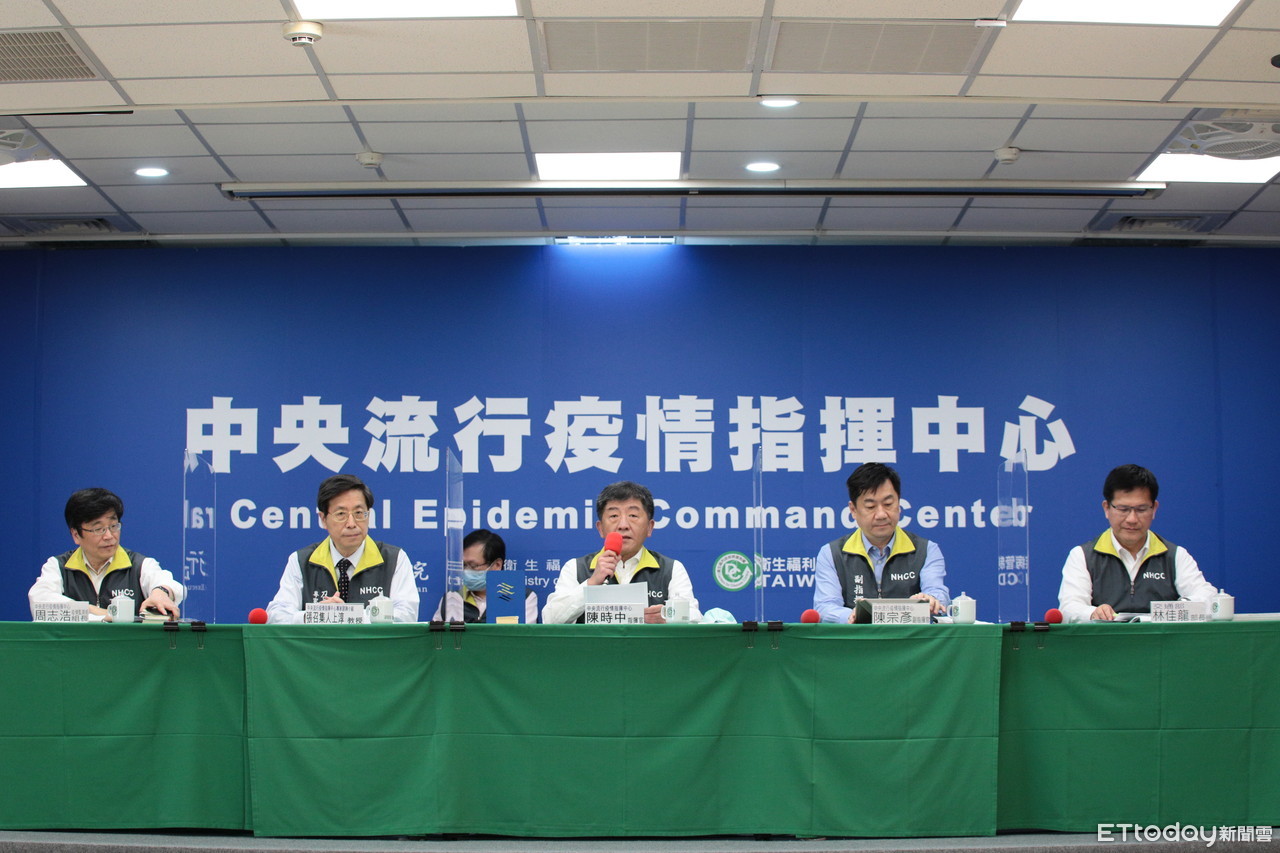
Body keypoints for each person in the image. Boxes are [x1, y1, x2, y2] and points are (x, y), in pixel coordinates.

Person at [1058, 464, 1220, 622]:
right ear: (1106, 508)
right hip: (1106, 639)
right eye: (1123, 509)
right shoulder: (1082, 556)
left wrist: (1178, 607)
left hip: (1160, 640)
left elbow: (1208, 597)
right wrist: (1093, 613)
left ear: (1154, 509)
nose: (1132, 519)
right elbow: (1069, 608)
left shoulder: (1175, 555)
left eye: (1141, 509)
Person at [542, 481, 700, 624]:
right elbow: (550, 619)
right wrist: (591, 583)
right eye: (614, 516)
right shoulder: (576, 568)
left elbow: (696, 619)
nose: (623, 525)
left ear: (649, 527)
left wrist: (668, 615)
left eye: (633, 515)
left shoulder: (671, 569)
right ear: (600, 528)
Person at [266, 474, 419, 623]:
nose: (351, 523)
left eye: (359, 513)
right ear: (323, 519)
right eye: (341, 514)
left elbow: (406, 615)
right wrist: (316, 616)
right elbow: (276, 615)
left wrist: (346, 615)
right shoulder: (301, 561)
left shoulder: (394, 558)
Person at [813, 463, 950, 623]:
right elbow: (825, 607)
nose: (881, 514)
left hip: (910, 638)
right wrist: (852, 616)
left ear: (899, 504)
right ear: (853, 510)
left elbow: (938, 593)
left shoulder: (926, 550)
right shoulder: (832, 553)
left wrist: (930, 600)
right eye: (870, 506)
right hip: (856, 637)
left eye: (888, 504)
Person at [29, 488, 183, 621]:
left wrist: (161, 593)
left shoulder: (140, 565)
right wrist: (101, 614)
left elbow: (168, 583)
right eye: (98, 529)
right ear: (76, 535)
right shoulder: (59, 566)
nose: (109, 536)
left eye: (113, 526)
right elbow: (40, 602)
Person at [432, 529, 538, 623]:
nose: (466, 571)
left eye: (473, 565)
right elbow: (436, 635)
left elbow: (525, 637)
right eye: (464, 565)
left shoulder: (523, 598)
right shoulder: (452, 599)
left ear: (497, 565)